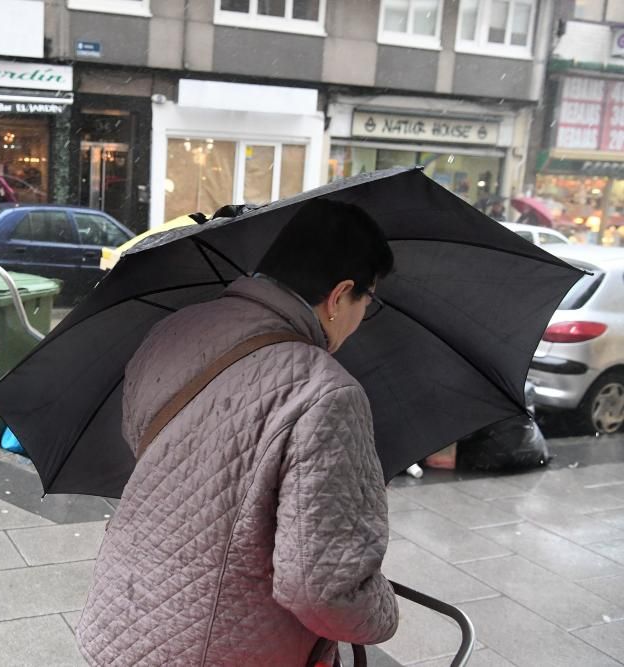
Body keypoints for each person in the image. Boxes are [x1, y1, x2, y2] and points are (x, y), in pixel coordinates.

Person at [76, 199, 399, 666]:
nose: (362, 315)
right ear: (339, 294)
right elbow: (322, 589)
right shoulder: (326, 393)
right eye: (368, 299)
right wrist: (384, 607)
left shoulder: (173, 329)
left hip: (122, 622)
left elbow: (150, 444)